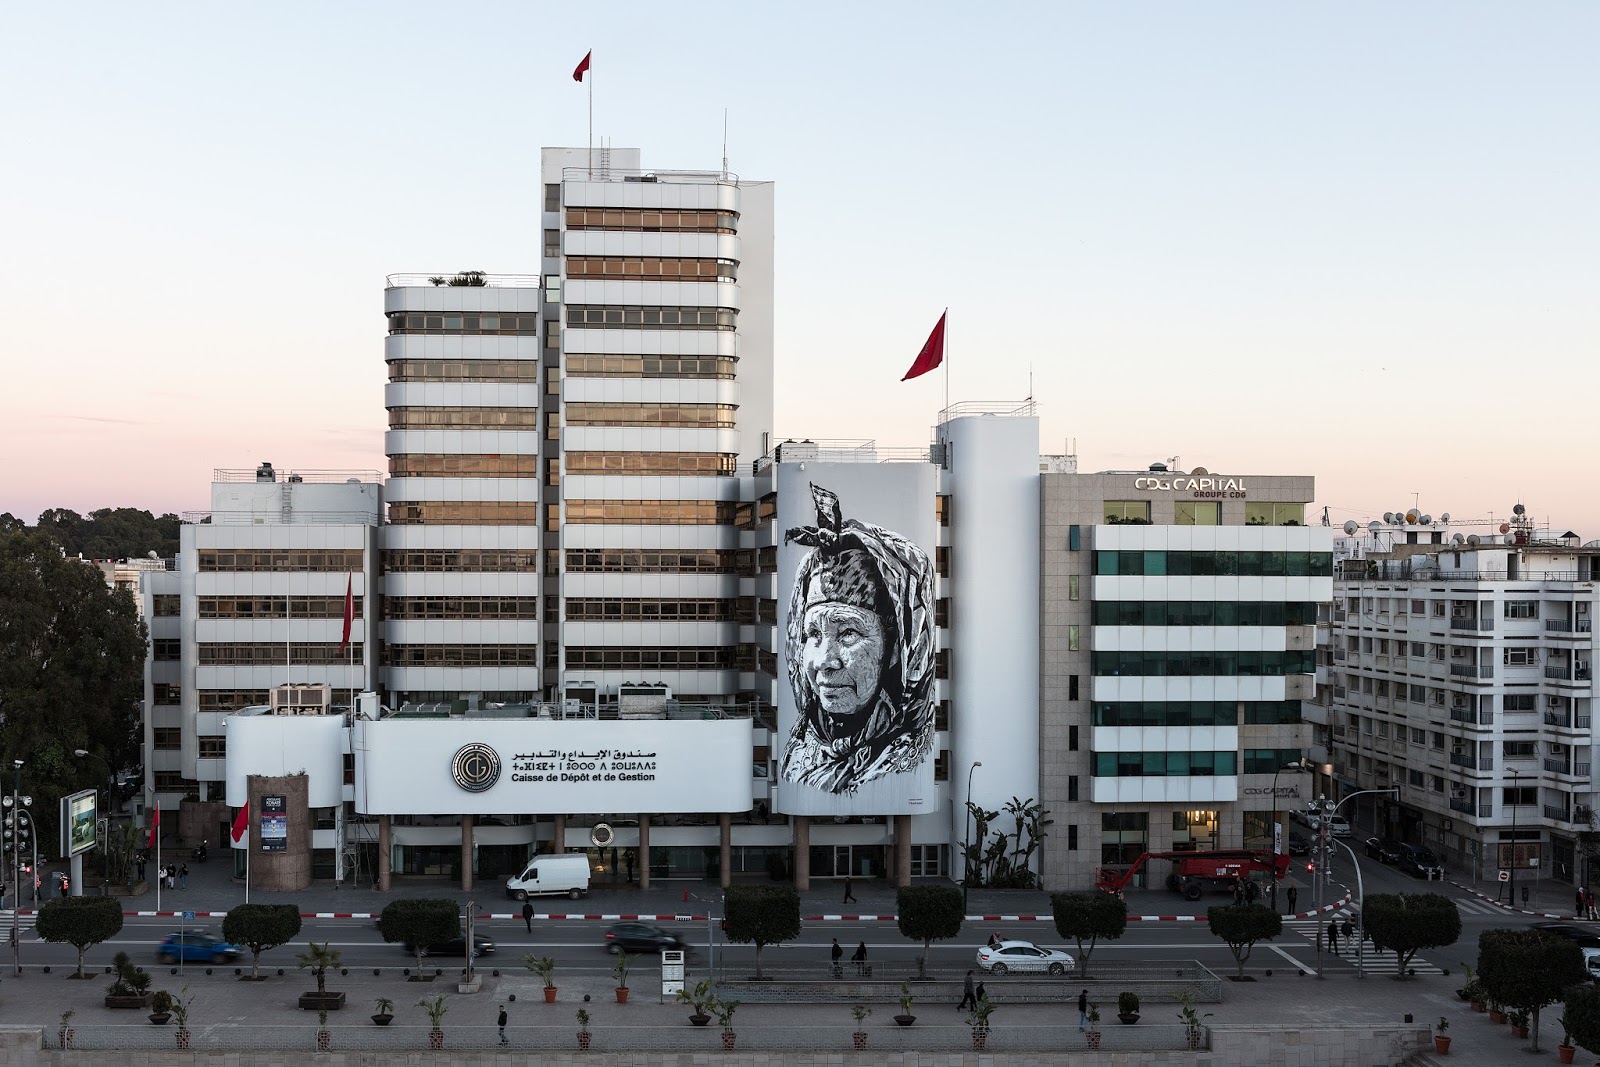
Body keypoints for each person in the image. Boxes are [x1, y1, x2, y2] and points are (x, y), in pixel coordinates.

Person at [779, 483, 937, 795]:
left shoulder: (906, 759)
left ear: (898, 647)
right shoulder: (802, 749)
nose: (824, 661)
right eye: (812, 634)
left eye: (849, 633)